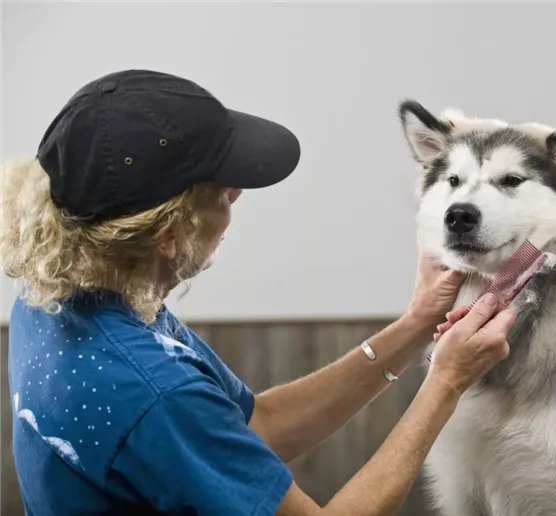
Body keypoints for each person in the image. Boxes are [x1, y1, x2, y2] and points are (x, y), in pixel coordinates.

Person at [1, 69, 516, 516]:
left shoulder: (63, 297)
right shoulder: (154, 391)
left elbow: (255, 426)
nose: (239, 195)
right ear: (168, 233)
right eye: (222, 191)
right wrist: (444, 381)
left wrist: (416, 324)